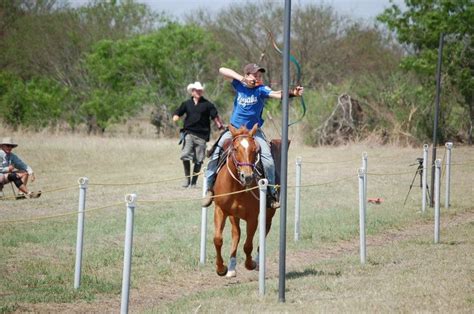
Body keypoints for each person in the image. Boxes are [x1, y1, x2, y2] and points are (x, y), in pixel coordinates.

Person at [202, 63, 304, 209]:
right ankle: (209, 189)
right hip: (235, 131)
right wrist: (241, 79)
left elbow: (276, 94)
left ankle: (271, 194)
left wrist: (293, 93)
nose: (257, 78)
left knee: (268, 161)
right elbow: (221, 69)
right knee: (216, 154)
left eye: (259, 75)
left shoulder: (261, 89)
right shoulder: (239, 85)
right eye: (254, 75)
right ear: (247, 75)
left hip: (253, 132)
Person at [173, 81, 225, 188]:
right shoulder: (186, 104)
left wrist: (220, 127)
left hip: (202, 136)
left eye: (200, 90)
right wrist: (176, 116)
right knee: (185, 155)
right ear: (192, 92)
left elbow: (215, 116)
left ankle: (193, 182)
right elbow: (178, 112)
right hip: (188, 133)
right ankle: (187, 180)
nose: (198, 92)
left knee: (199, 160)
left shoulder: (207, 104)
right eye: (196, 90)